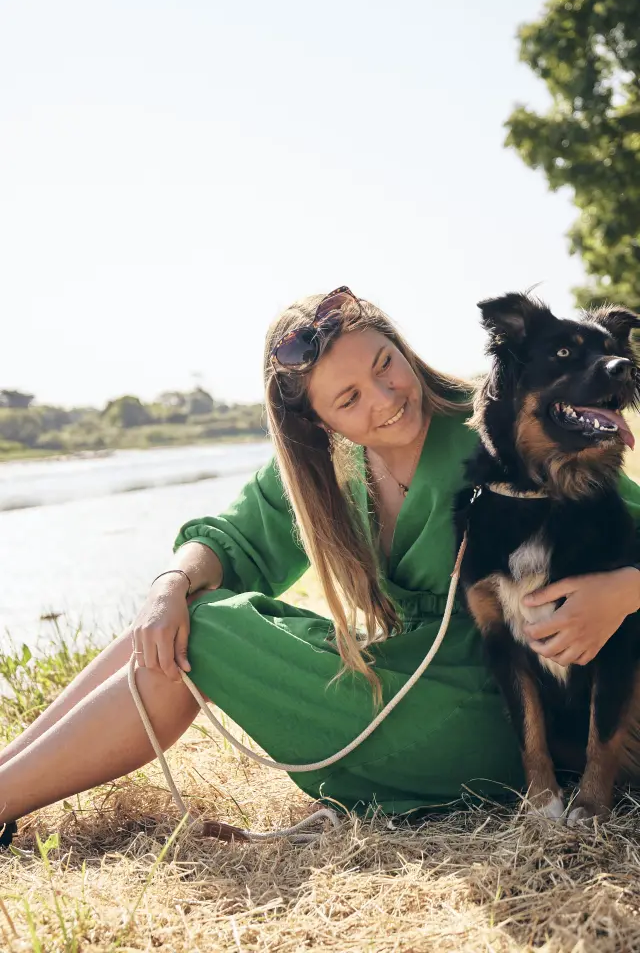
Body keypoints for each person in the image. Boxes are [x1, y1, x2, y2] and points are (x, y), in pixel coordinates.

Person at [2, 286, 640, 840]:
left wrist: (625, 592)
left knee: (208, 634)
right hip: (400, 685)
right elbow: (231, 541)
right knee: (176, 613)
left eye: (386, 365)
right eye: (349, 399)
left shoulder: (500, 430)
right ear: (320, 422)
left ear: (402, 347)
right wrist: (168, 583)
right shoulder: (330, 470)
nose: (385, 399)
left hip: (494, 711)